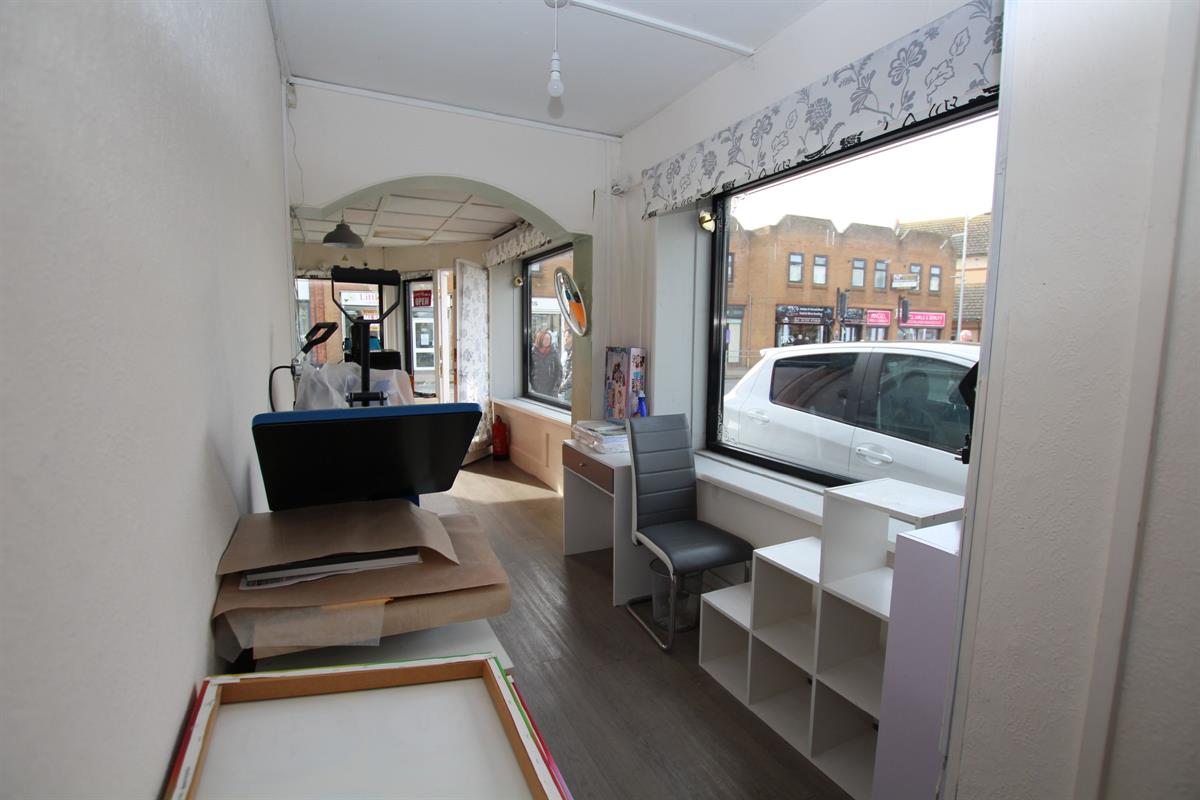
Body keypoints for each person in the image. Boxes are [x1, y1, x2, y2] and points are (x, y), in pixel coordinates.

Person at [529, 329, 561, 397]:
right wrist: (531, 388)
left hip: (551, 391)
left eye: (549, 339)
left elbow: (559, 372)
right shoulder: (532, 352)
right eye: (545, 339)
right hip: (536, 390)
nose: (547, 341)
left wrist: (555, 389)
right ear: (540, 339)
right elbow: (528, 371)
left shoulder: (554, 352)